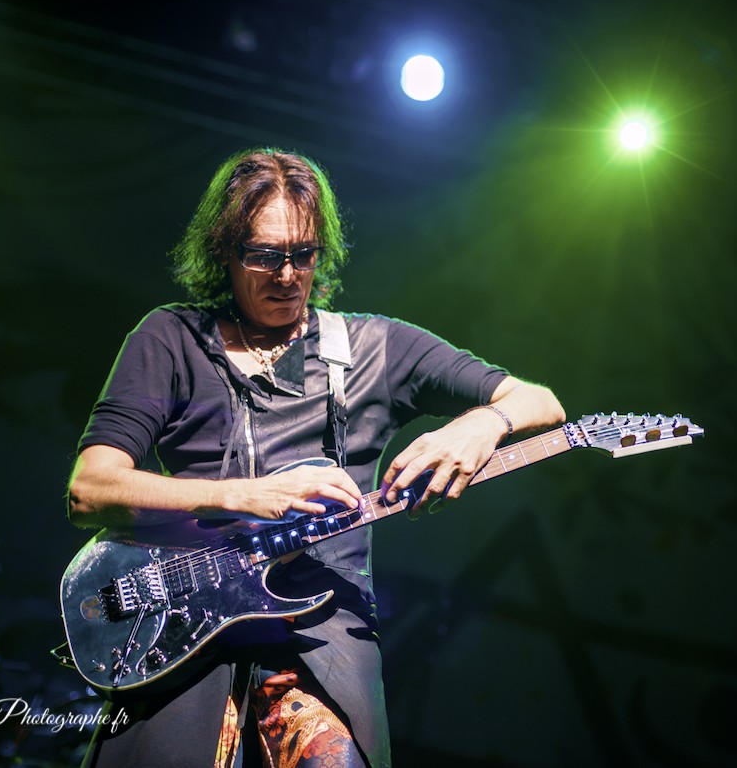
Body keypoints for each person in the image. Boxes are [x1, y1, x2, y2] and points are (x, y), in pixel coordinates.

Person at [66, 148, 565, 768]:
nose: (286, 275)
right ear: (224, 251)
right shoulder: (171, 337)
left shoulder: (376, 347)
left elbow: (539, 401)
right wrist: (243, 495)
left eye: (302, 254)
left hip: (321, 639)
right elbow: (91, 488)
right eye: (264, 255)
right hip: (180, 627)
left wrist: (481, 424)